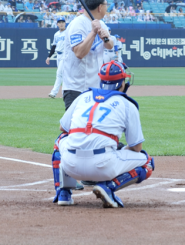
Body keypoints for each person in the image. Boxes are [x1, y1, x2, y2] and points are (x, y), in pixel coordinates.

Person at [51, 60, 155, 207]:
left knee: (60, 140)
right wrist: (121, 148)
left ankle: (63, 193)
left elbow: (63, 127)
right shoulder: (127, 104)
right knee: (147, 162)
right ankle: (109, 187)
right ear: (123, 82)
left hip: (71, 165)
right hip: (103, 167)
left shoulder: (83, 96)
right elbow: (136, 147)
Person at [61, 0, 114, 110]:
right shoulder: (77, 24)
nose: (107, 7)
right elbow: (79, 53)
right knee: (75, 128)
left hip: (95, 87)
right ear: (100, 7)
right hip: (76, 88)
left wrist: (106, 38)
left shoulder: (101, 24)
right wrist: (93, 33)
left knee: (93, 127)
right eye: (106, 4)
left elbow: (109, 45)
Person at [46, 17, 67, 99]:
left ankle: (53, 92)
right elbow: (54, 46)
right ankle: (64, 92)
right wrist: (49, 57)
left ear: (65, 23)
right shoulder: (56, 34)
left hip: (65, 55)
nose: (61, 23)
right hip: (58, 55)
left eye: (63, 22)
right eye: (59, 22)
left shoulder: (68, 32)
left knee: (59, 73)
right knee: (63, 75)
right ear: (57, 24)